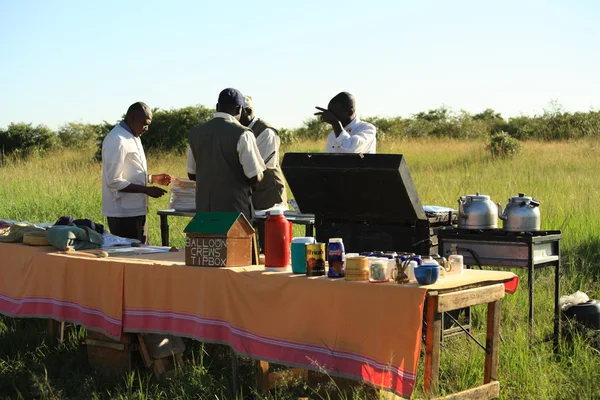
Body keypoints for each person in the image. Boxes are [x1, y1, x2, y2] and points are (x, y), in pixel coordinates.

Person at [187, 88, 265, 222]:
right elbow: (254, 176)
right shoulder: (243, 133)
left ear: (217, 107)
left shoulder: (195, 133)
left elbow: (191, 174)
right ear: (239, 109)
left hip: (204, 212)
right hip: (235, 211)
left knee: (209, 243)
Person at [102, 102, 171, 243]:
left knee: (142, 254)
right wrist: (146, 190)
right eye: (144, 124)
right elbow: (113, 181)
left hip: (137, 211)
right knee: (130, 257)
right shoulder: (118, 139)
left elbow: (130, 172)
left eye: (148, 125)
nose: (146, 128)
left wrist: (151, 178)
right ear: (131, 118)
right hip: (123, 215)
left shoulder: (133, 136)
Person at [239, 95, 287, 211]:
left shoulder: (266, 132)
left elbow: (257, 167)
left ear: (247, 111)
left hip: (270, 199)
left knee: (271, 229)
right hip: (253, 198)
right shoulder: (241, 131)